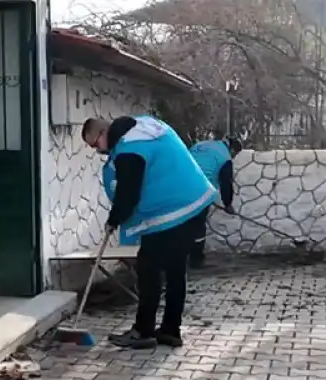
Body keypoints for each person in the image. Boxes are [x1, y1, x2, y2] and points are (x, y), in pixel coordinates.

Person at [82, 115, 217, 349]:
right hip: (194, 202)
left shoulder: (129, 149)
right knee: (175, 270)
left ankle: (143, 332)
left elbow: (128, 192)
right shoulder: (144, 126)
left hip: (173, 209)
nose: (97, 151)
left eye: (95, 144)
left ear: (104, 133)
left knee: (148, 268)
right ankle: (170, 331)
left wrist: (114, 219)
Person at [188, 137, 242, 267]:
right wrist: (228, 204)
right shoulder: (225, 157)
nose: (234, 157)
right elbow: (226, 184)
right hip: (201, 189)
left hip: (181, 184)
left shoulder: (200, 144)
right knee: (198, 225)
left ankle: (176, 256)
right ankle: (196, 260)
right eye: (235, 154)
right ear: (232, 149)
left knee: (182, 223)